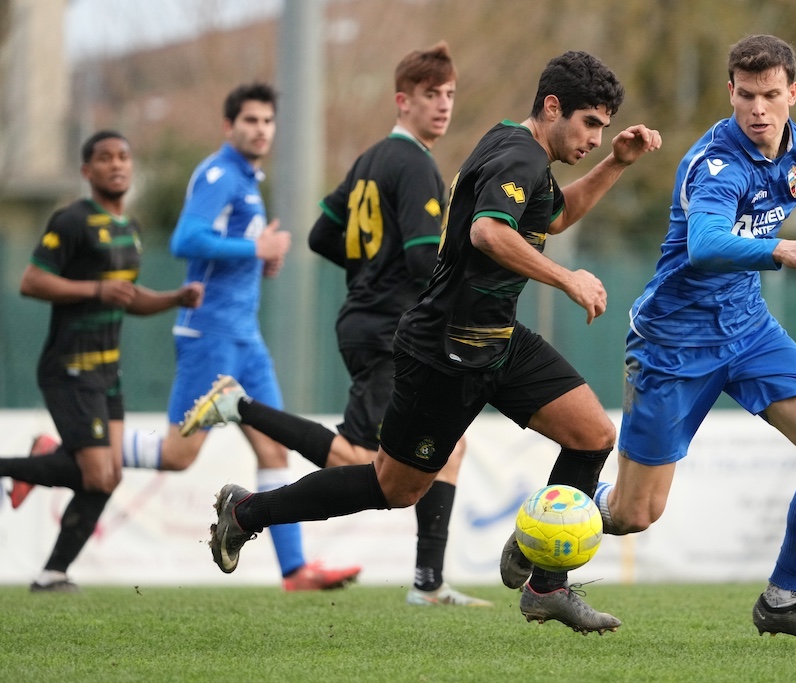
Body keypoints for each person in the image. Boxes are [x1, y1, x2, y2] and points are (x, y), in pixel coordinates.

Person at [203, 51, 661, 634]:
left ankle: (546, 580)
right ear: (552, 107)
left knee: (593, 434)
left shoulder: (516, 147)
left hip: (496, 339)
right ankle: (247, 511)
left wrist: (616, 165)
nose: (597, 138)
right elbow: (488, 231)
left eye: (603, 127)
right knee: (390, 487)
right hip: (443, 350)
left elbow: (556, 215)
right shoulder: (518, 157)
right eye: (590, 124)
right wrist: (567, 277)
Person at [508, 35, 796, 648]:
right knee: (634, 514)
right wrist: (779, 247)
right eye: (746, 95)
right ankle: (544, 524)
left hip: (748, 330)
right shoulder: (715, 163)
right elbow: (706, 245)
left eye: (771, 95)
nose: (758, 109)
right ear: (731, 91)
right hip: (675, 342)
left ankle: (783, 600)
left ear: (791, 94)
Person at [183, 43, 489, 607]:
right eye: (431, 96)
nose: (443, 106)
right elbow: (426, 260)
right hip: (390, 329)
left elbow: (323, 235)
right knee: (360, 463)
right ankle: (242, 457)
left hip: (369, 319)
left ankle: (428, 583)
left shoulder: (372, 158)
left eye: (449, 94)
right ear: (404, 100)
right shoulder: (416, 164)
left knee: (451, 445)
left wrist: (371, 269)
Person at [116, 83, 360, 591]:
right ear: (229, 127)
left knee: (274, 453)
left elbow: (227, 250)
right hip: (209, 335)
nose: (260, 129)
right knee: (179, 454)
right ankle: (74, 446)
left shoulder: (249, 181)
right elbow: (186, 237)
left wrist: (260, 256)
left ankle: (294, 571)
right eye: (250, 121)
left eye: (267, 121)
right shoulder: (218, 174)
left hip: (245, 339)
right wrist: (255, 248)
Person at [0, 131, 204, 592]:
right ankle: (24, 464)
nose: (117, 165)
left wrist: (175, 297)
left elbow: (126, 298)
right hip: (69, 366)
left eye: (124, 157)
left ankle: (53, 574)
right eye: (105, 158)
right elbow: (32, 281)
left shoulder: (129, 229)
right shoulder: (71, 220)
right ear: (86, 171)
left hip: (107, 373)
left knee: (106, 477)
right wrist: (94, 290)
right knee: (97, 471)